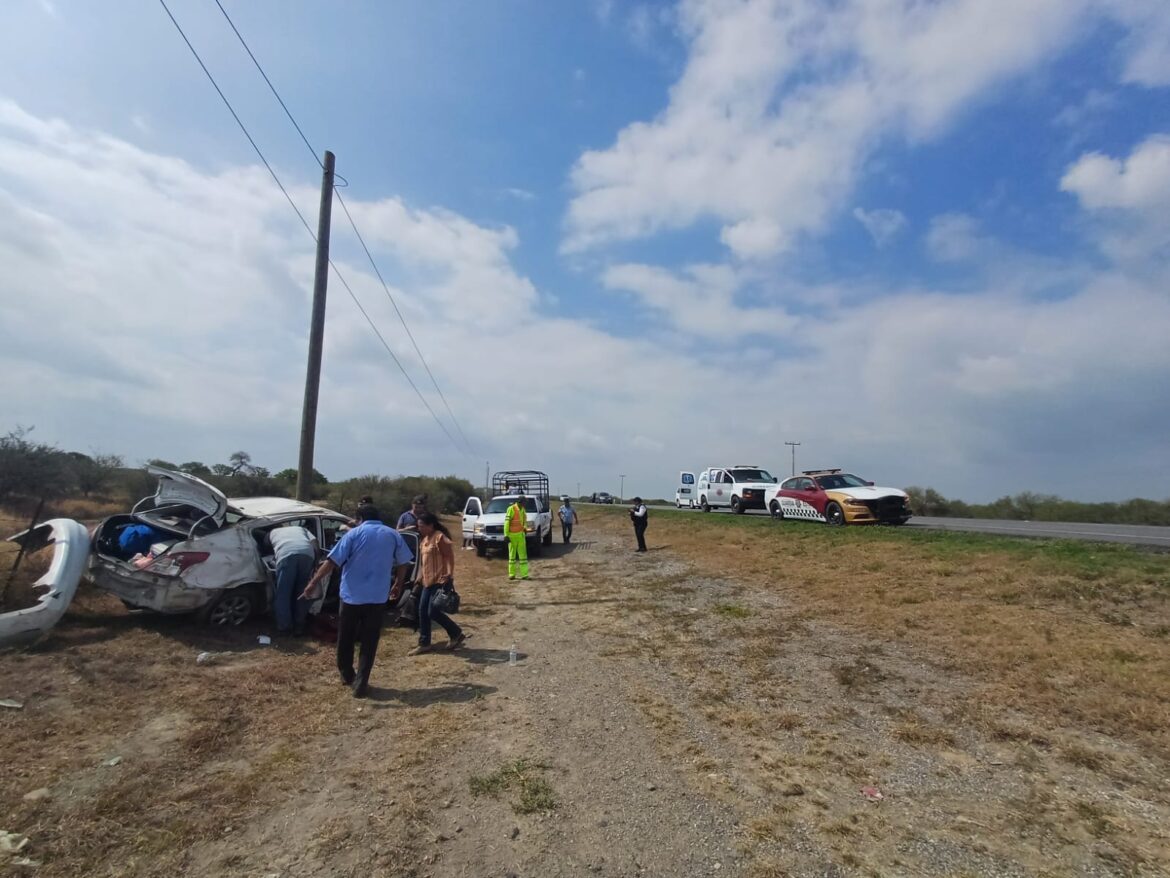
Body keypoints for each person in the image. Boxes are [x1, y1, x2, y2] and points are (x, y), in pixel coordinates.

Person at [301, 504, 413, 698]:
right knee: (370, 640)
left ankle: (347, 674)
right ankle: (361, 682)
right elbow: (404, 562)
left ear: (359, 518)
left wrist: (313, 583)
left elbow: (331, 562)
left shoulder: (352, 535)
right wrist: (398, 583)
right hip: (377, 597)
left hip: (351, 597)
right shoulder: (393, 534)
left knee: (346, 637)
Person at [408, 512, 467, 655]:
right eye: (418, 526)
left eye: (421, 526)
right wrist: (419, 576)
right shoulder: (424, 539)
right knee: (423, 612)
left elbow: (449, 556)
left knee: (432, 612)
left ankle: (456, 633)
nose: (419, 528)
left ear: (430, 525)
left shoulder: (439, 537)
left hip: (439, 580)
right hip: (427, 582)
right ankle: (424, 643)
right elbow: (423, 561)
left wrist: (449, 574)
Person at [268, 523, 317, 636]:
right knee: (302, 592)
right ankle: (299, 626)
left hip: (286, 555)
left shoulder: (272, 532)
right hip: (307, 555)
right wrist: (316, 562)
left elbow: (268, 548)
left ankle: (284, 627)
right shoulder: (300, 528)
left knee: (283, 594)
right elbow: (315, 543)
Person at [504, 493, 529, 581]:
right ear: (520, 502)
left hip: (520, 535)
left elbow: (525, 520)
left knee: (523, 556)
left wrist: (525, 528)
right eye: (524, 502)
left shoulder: (523, 510)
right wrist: (506, 535)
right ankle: (512, 574)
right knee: (512, 556)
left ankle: (524, 574)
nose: (525, 504)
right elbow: (506, 523)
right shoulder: (511, 509)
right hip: (512, 536)